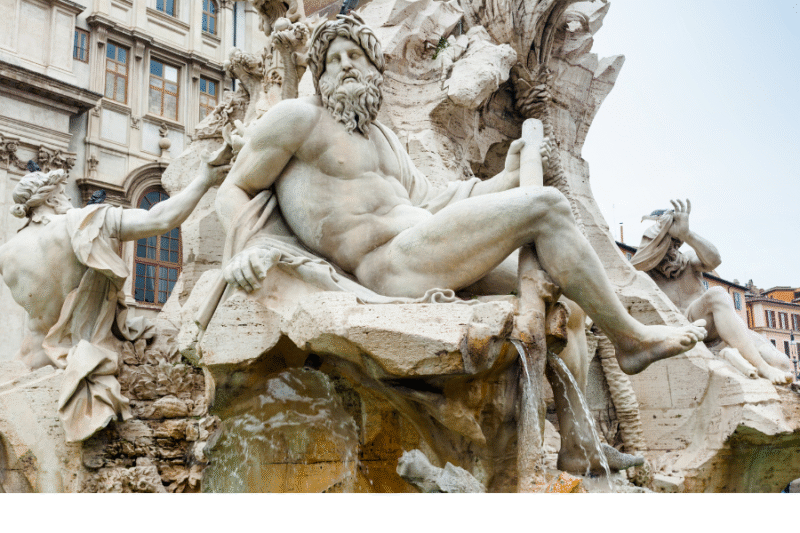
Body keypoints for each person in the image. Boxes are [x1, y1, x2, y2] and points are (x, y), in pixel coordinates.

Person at [216, 15, 706, 378]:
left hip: (425, 245)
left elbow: (435, 202)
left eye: (355, 56)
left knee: (570, 305)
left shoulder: (384, 140)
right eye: (333, 59)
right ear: (319, 75)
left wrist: (507, 176)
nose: (345, 66)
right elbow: (234, 187)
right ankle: (630, 340)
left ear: (373, 68)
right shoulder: (298, 120)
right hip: (386, 265)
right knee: (549, 208)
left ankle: (577, 450)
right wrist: (248, 247)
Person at [0, 157, 229, 441]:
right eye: (60, 193)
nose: (65, 199)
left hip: (33, 363)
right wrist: (204, 180)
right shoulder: (81, 223)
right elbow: (160, 219)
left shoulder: (7, 252)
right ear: (51, 197)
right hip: (88, 359)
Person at [632, 199, 793, 385]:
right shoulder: (645, 275)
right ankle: (764, 369)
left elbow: (715, 260)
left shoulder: (689, 261)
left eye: (674, 244)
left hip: (723, 331)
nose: (671, 249)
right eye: (665, 244)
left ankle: (729, 354)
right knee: (717, 294)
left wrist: (688, 234)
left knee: (782, 363)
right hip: (691, 325)